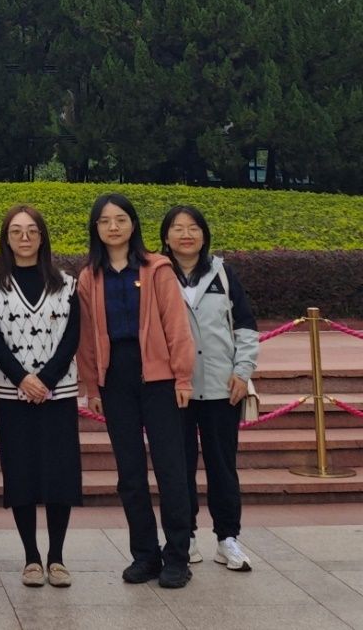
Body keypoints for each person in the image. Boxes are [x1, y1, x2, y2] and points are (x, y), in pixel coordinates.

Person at [77, 193, 195, 589]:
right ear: (96, 228)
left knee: (170, 469)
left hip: (159, 380)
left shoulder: (157, 268)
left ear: (133, 224)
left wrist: (182, 377)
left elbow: (176, 326)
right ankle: (145, 555)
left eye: (121, 219)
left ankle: (177, 556)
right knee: (129, 473)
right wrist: (92, 384)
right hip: (115, 380)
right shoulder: (89, 277)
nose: (113, 227)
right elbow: (87, 337)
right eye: (105, 221)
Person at [0, 206, 81, 588]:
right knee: (20, 473)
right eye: (16, 231)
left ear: (42, 237)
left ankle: (57, 556)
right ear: (6, 239)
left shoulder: (67, 284)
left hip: (59, 393)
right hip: (12, 395)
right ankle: (31, 558)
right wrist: (23, 379)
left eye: (31, 231)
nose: (24, 238)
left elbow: (72, 336)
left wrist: (47, 380)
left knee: (59, 473)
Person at [160, 205, 259, 572]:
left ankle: (227, 538)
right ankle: (184, 536)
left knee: (222, 466)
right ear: (166, 236)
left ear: (204, 234)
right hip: (175, 389)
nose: (186, 234)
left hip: (221, 387)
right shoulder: (157, 274)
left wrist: (243, 371)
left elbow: (245, 325)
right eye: (177, 228)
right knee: (179, 467)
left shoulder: (223, 273)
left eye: (193, 228)